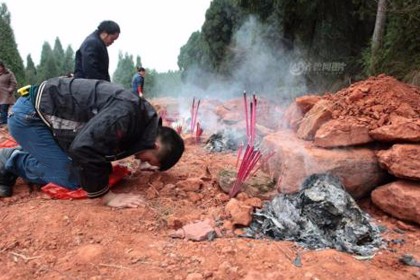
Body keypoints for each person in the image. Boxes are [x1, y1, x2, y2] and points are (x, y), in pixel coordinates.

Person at [0, 77, 185, 208]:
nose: (141, 161)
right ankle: (11, 159)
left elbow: (98, 145)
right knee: (74, 179)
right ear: (156, 146)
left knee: (94, 170)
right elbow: (84, 148)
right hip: (30, 118)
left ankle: (32, 150)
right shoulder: (126, 116)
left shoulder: (141, 120)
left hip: (44, 119)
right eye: (150, 160)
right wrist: (107, 196)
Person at [0, 61, 17, 125]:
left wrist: (11, 89)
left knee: (3, 109)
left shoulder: (9, 73)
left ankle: (5, 124)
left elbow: (14, 82)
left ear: (2, 66)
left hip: (6, 95)